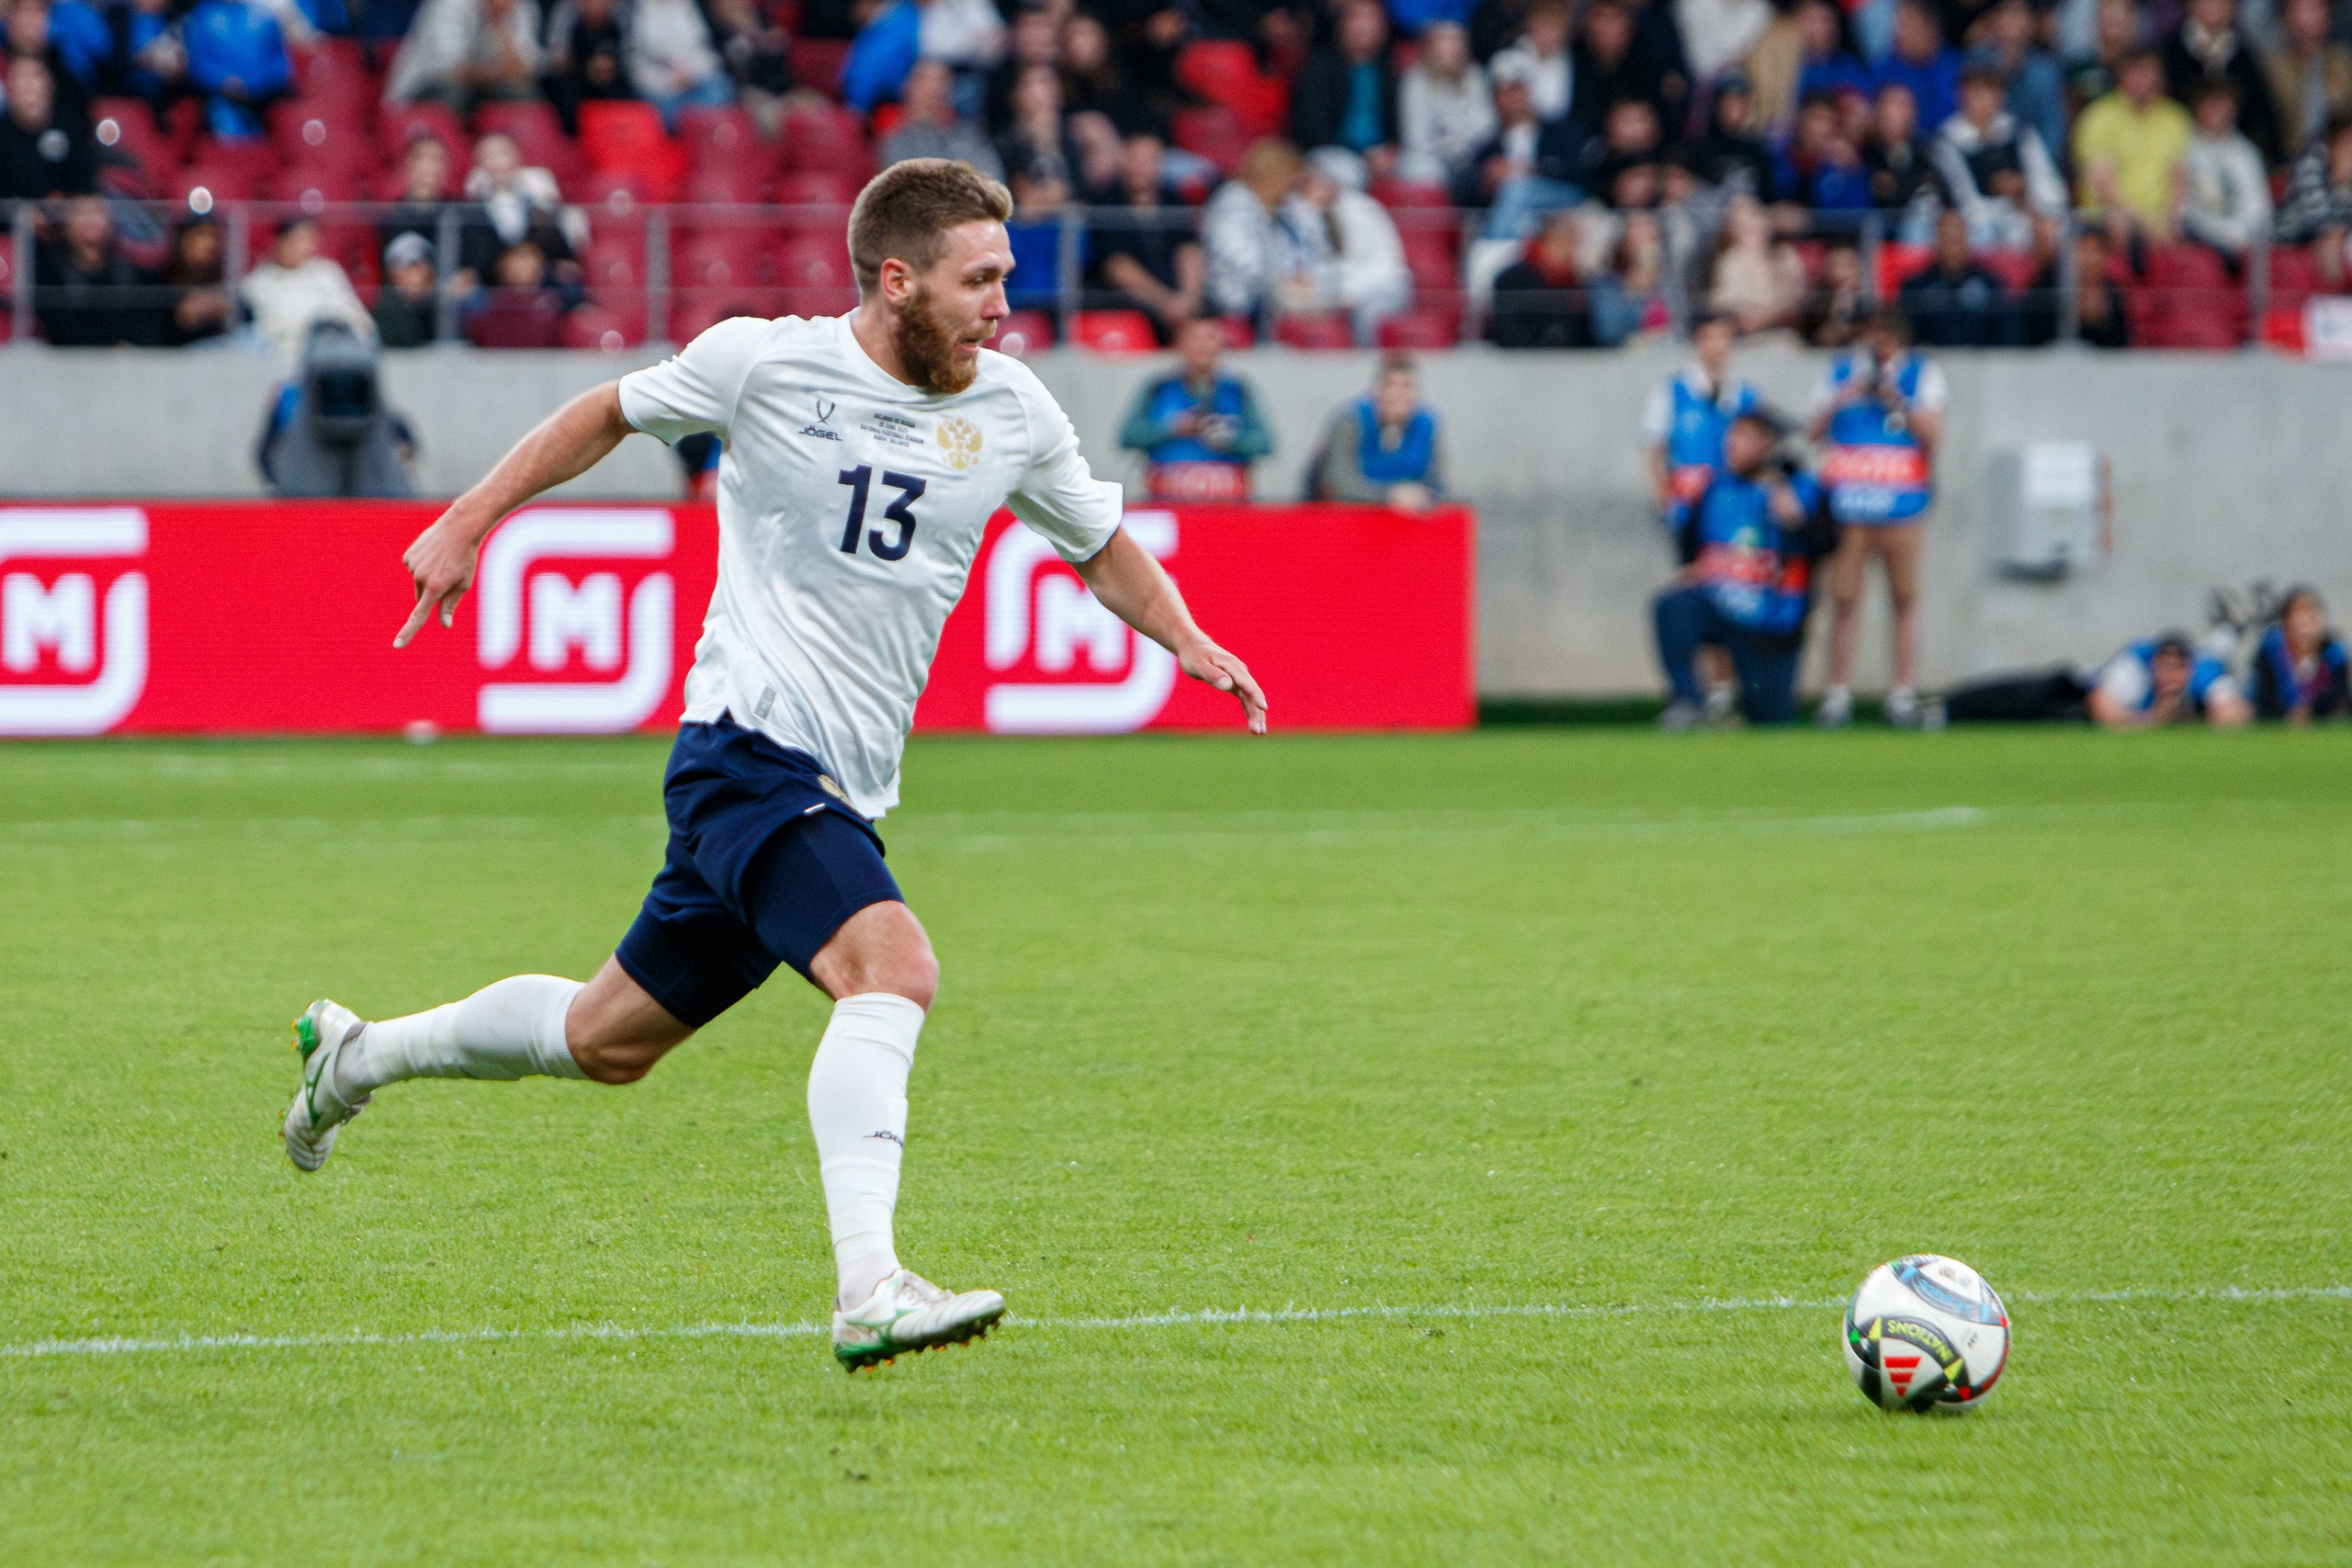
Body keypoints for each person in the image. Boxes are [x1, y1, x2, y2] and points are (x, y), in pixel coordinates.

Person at [279, 159, 1268, 1377]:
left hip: (831, 782)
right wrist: (473, 514)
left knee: (604, 1037)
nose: (1003, 303)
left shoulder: (1010, 408)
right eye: (981, 279)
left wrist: (1189, 639)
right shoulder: (766, 361)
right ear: (897, 278)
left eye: (1004, 277)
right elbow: (606, 410)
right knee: (892, 963)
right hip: (747, 751)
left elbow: (1101, 542)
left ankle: (359, 1052)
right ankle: (869, 1285)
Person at [1652, 408, 1840, 728]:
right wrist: (1699, 569)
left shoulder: (1802, 490)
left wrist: (1797, 522)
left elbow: (1828, 544)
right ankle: (1689, 700)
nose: (1732, 444)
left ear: (1767, 445)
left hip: (1774, 625)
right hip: (1721, 607)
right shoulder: (1715, 489)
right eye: (1731, 436)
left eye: (1743, 436)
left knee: (1771, 717)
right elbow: (1690, 546)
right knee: (1673, 606)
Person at [1809, 306, 1944, 728]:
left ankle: (1901, 693)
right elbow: (1813, 432)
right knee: (1844, 600)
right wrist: (1844, 396)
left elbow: (1932, 434)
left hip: (1901, 507)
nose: (1877, 346)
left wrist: (1894, 397)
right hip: (1849, 508)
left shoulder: (1922, 373)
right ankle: (1837, 694)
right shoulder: (1840, 371)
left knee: (1904, 600)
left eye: (1885, 338)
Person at [1118, 314, 1274, 501]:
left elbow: (1265, 443)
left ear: (1221, 343)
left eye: (1210, 337)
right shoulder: (1158, 388)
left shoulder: (1237, 389)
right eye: (1194, 337)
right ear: (1180, 343)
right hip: (1169, 503)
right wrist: (1172, 428)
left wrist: (1230, 438)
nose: (1202, 346)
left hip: (1228, 506)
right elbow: (1127, 436)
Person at [1641, 309, 1761, 536]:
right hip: (1687, 506)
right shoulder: (1671, 390)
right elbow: (1653, 452)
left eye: (1723, 337)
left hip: (1734, 508)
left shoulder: (1746, 395)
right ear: (1697, 341)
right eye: (1709, 337)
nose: (1717, 346)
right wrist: (1665, 501)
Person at [1931, 57, 2065, 250]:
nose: (1983, 99)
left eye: (1991, 91)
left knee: (2060, 232)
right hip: (1977, 232)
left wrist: (2026, 192)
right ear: (1960, 94)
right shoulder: (1947, 141)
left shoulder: (2020, 133)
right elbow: (1965, 202)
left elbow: (2051, 189)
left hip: (2027, 223)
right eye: (1977, 91)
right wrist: (2002, 195)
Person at [1090, 132, 1204, 341]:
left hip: (1178, 299)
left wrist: (1188, 298)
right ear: (1123, 160)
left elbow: (1188, 251)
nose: (1141, 167)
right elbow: (1117, 267)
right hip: (1129, 301)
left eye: (1149, 160)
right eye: (1135, 159)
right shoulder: (1105, 201)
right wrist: (1166, 302)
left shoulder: (1174, 199)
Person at [2075, 47, 2193, 244]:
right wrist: (2143, 223)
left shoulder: (2176, 118)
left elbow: (2180, 178)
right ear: (2120, 74)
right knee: (2119, 225)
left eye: (2148, 70)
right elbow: (2102, 184)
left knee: (2187, 229)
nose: (2141, 78)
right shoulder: (2098, 116)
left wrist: (2170, 220)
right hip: (2110, 215)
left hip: (2162, 218)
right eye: (2134, 71)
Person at [1298, 146, 1410, 343]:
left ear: (1332, 182)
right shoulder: (1326, 211)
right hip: (1354, 285)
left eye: (1313, 181)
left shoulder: (1358, 210)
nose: (1306, 189)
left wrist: (1343, 291)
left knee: (1367, 316)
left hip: (1381, 285)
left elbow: (1370, 264)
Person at [1306, 354, 1445, 510]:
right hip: (1351, 518)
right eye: (1391, 385)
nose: (1400, 394)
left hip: (1406, 522)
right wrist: (1389, 496)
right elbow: (1336, 482)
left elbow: (1437, 483)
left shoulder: (1427, 425)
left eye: (1408, 386)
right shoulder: (1352, 421)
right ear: (1376, 389)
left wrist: (1420, 496)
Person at [241, 215, 374, 368]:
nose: (305, 247)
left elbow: (357, 317)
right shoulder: (257, 283)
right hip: (282, 364)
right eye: (298, 240)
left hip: (335, 360)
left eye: (310, 240)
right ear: (279, 241)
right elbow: (265, 333)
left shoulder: (328, 272)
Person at [34, 193, 168, 344]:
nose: (91, 220)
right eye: (82, 213)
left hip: (123, 360)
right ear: (66, 223)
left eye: (97, 212)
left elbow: (147, 323)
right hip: (68, 359)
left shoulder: (131, 274)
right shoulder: (52, 271)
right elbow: (58, 325)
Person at [2160, 0, 2280, 166]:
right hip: (2181, 156)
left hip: (2234, 153)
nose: (2214, 5)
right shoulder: (2169, 51)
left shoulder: (2243, 53)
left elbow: (2263, 113)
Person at [1202, 136, 1306, 321]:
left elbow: (1288, 253)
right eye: (1289, 182)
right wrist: (1280, 281)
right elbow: (1238, 256)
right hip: (1235, 305)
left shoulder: (1274, 210)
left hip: (1269, 300)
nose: (1290, 190)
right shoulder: (1232, 202)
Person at [1289, 0, 1400, 165]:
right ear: (1341, 25)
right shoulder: (1319, 67)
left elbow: (1396, 125)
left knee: (1422, 169)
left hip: (1381, 153)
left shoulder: (1388, 68)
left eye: (1372, 18)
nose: (1365, 26)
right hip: (1331, 152)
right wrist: (1362, 156)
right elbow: (1313, 130)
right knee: (1346, 169)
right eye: (1357, 18)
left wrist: (1389, 149)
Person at [383, 0, 542, 110]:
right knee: (454, 94)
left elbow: (522, 74)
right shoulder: (450, 5)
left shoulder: (524, 8)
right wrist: (501, 73)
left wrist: (500, 26)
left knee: (522, 95)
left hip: (477, 91)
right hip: (420, 89)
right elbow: (452, 71)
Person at [2177, 81, 2272, 263]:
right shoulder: (2184, 147)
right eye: (2212, 104)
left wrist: (2241, 238)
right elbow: (2182, 208)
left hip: (2240, 246)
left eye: (2224, 105)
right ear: (2198, 107)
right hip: (2197, 242)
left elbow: (2259, 210)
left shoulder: (2246, 153)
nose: (2218, 113)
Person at [1900, 207, 2020, 344]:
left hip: (1984, 362)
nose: (1952, 246)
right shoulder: (1916, 287)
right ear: (1936, 241)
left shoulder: (1990, 284)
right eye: (1946, 238)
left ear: (1967, 240)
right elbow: (1906, 336)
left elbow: (2009, 335)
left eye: (1957, 237)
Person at [1396, 18, 1496, 186]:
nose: (1450, 48)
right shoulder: (1415, 81)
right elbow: (1416, 138)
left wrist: (1459, 144)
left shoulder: (1475, 76)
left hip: (1471, 157)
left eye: (1456, 41)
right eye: (1443, 41)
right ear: (1429, 47)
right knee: (1421, 169)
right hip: (1429, 158)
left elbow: (1486, 127)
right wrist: (1448, 144)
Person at [2086, 632, 2251, 727]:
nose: (2169, 676)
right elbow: (2099, 704)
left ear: (2189, 668)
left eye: (2176, 667)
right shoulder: (2136, 666)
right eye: (2163, 666)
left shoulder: (2204, 671)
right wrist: (2154, 719)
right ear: (2154, 663)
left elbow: (2234, 715)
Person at [180, 0, 292, 141]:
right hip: (219, 102)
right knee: (225, 119)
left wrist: (254, 85)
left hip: (265, 101)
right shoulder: (203, 16)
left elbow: (281, 66)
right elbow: (197, 64)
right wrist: (224, 81)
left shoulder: (265, 17)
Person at [1486, 205, 1591, 345]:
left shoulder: (1576, 284)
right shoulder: (1512, 279)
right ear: (1548, 238)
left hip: (1567, 363)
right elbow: (1507, 331)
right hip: (1521, 362)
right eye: (1567, 239)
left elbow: (1584, 337)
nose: (1573, 248)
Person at [880, 58, 1002, 176]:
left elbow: (991, 177)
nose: (934, 87)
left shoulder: (968, 136)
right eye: (924, 78)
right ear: (906, 85)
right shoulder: (893, 140)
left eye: (942, 79)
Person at [1707, 192, 1805, 335]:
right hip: (1742, 338)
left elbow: (1797, 300)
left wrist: (1768, 315)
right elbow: (1720, 303)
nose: (1749, 226)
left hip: (1782, 334)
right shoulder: (1729, 262)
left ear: (1766, 221)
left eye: (1753, 217)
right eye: (1740, 223)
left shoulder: (1786, 256)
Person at [2262, 0, 2352, 157]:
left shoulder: (2341, 62)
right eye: (2304, 9)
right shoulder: (2273, 66)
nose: (2312, 17)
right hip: (2287, 157)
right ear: (2286, 17)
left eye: (2318, 9)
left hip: (2338, 157)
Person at [2248, 586, 2349, 722]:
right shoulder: (2271, 652)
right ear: (2287, 622)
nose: (2309, 618)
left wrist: (2311, 711)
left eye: (2313, 611)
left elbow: (2339, 698)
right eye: (2302, 612)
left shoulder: (2334, 653)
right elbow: (2264, 698)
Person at [0, 53, 95, 197]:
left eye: (35, 76)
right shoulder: (3, 136)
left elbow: (84, 187)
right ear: (9, 90)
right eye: (20, 78)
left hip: (67, 215)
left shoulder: (71, 126)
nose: (28, 85)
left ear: (50, 84)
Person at [627, 0, 732, 128]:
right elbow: (634, 61)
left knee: (721, 87)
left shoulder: (689, 4)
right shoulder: (634, 8)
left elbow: (704, 48)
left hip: (694, 79)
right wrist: (666, 80)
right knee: (669, 113)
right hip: (659, 87)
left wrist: (691, 73)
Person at [2277, 112, 2352, 286]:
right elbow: (2316, 215)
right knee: (2331, 237)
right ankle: (2336, 300)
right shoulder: (2311, 160)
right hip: (2292, 236)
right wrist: (2337, 176)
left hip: (2331, 233)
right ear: (2338, 139)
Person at [543, 0, 633, 131]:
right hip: (576, 81)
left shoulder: (621, 17)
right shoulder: (567, 14)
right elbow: (556, 60)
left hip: (612, 83)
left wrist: (610, 66)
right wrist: (582, 64)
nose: (594, 4)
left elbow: (630, 57)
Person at [1589, 207, 1671, 344]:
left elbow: (1682, 326)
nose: (1647, 237)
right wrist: (1636, 292)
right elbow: (1609, 333)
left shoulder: (1668, 278)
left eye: (1650, 229)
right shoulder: (1607, 282)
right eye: (1638, 229)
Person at [164, 217, 235, 344]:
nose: (209, 243)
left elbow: (248, 316)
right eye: (200, 234)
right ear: (182, 239)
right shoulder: (160, 280)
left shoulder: (225, 282)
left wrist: (224, 306)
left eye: (214, 235)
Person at [373, 230, 442, 346]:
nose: (415, 275)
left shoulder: (443, 301)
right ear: (391, 273)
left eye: (421, 265)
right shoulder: (385, 309)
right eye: (408, 266)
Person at [1801, 232, 1870, 345]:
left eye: (1848, 265)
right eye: (1836, 265)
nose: (1843, 273)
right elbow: (1820, 340)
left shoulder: (1872, 301)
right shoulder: (1818, 302)